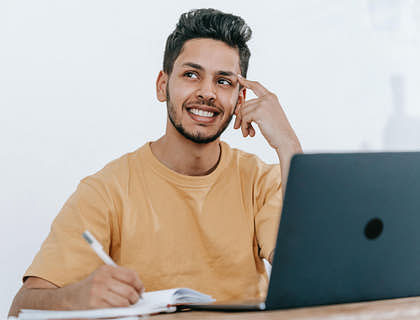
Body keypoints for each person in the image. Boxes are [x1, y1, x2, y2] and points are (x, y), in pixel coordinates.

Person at [9, 8, 302, 316]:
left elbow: (315, 280)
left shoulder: (262, 181)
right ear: (163, 85)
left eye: (224, 81)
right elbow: (19, 308)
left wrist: (289, 146)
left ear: (240, 99)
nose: (207, 92)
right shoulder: (107, 190)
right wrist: (77, 296)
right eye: (191, 75)